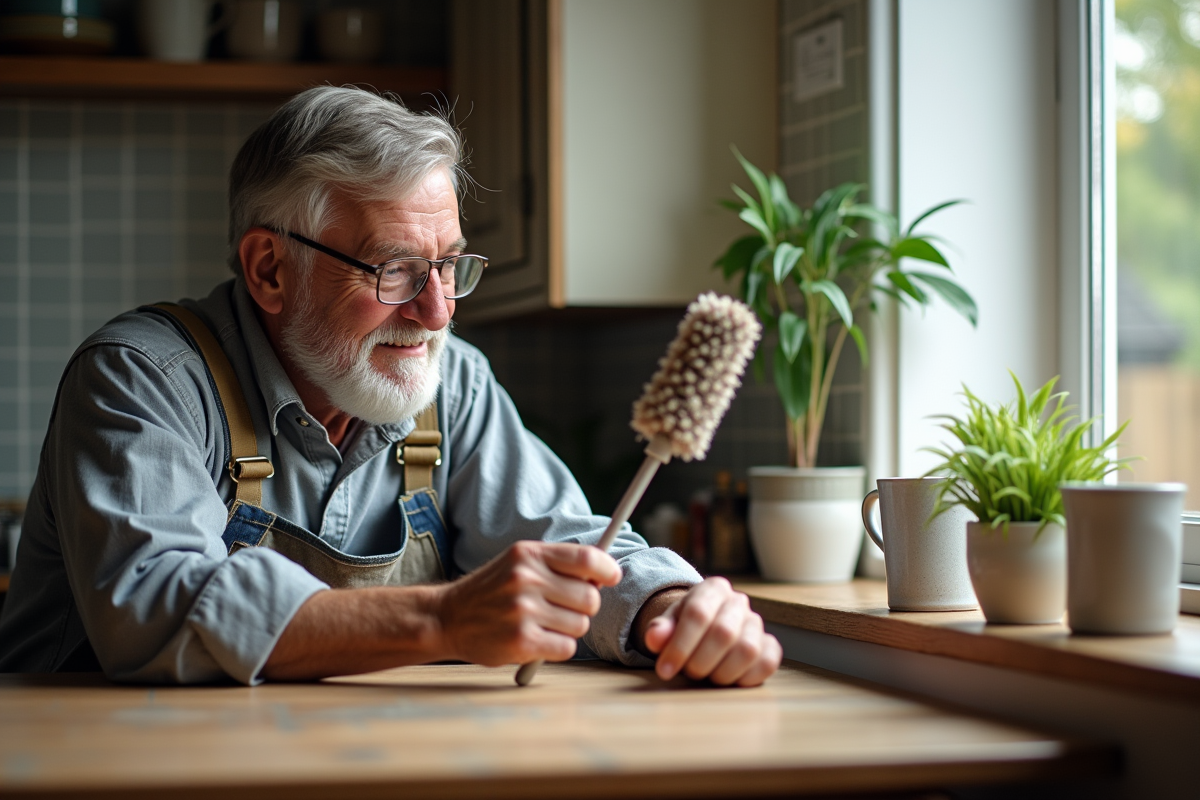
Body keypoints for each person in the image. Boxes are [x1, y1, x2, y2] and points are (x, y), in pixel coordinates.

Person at [0, 87, 781, 687]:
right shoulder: (143, 378)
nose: (437, 310)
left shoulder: (454, 382)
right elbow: (152, 607)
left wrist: (666, 610)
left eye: (450, 266)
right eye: (396, 269)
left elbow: (570, 546)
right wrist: (443, 618)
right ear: (271, 269)